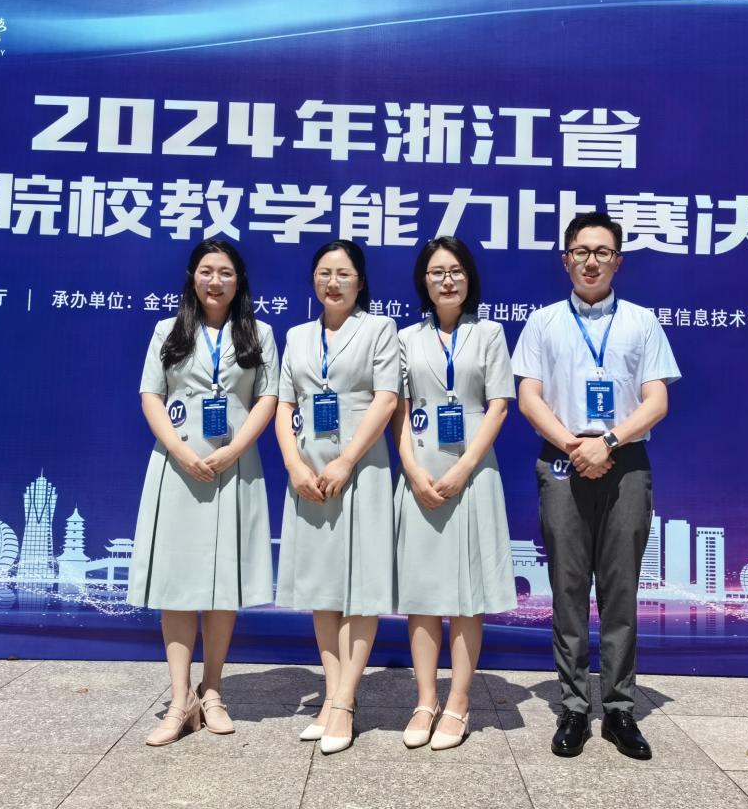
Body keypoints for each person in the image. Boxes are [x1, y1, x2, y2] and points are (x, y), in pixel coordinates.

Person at [511, 212, 681, 759]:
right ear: (566, 259)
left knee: (620, 589)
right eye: (581, 251)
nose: (591, 261)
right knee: (566, 588)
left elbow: (657, 400)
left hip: (624, 462)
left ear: (618, 261)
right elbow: (529, 397)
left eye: (602, 252)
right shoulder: (543, 323)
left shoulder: (641, 322)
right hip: (563, 460)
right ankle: (574, 706)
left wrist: (606, 443)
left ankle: (620, 708)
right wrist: (574, 446)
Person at [128, 240, 279, 747]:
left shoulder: (259, 333)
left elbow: (268, 397)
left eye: (226, 273)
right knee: (178, 583)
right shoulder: (167, 330)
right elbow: (151, 395)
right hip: (178, 467)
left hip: (233, 467)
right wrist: (179, 450)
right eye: (207, 271)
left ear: (239, 281)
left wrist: (233, 449)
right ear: (193, 277)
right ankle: (180, 701)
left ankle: (212, 690)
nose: (216, 281)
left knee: (221, 581)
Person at [274, 239, 400, 755]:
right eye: (324, 273)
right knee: (323, 589)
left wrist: (347, 459)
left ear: (360, 282)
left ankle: (346, 701)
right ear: (313, 281)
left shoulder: (379, 329)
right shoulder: (297, 336)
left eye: (344, 274)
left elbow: (386, 399)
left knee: (360, 589)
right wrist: (294, 464)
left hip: (361, 469)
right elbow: (284, 404)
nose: (333, 282)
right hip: (309, 474)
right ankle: (330, 696)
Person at [392, 237, 517, 750]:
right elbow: (398, 410)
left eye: (456, 271)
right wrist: (412, 470)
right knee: (422, 594)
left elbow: (499, 405)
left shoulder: (489, 334)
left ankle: (459, 702)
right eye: (437, 272)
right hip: (421, 476)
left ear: (469, 279)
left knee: (467, 597)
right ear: (424, 281)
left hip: (473, 475)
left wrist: (465, 466)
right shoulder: (405, 338)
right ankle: (425, 700)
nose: (447, 280)